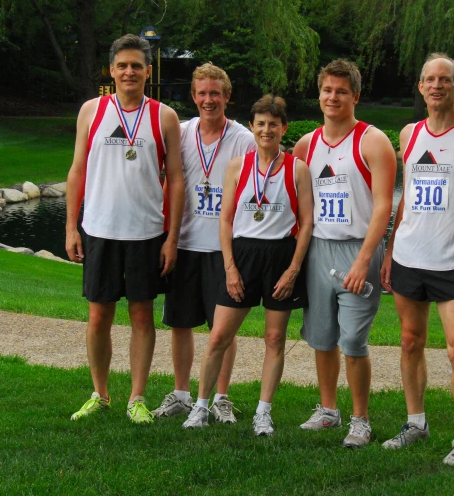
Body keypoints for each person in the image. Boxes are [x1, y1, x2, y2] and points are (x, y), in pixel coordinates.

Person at [380, 53, 454, 466]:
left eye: (444, 80)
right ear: (420, 87)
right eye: (429, 79)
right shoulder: (409, 133)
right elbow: (407, 198)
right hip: (410, 256)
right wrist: (391, 250)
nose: (436, 86)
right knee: (410, 342)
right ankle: (416, 423)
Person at [65, 34, 184, 424]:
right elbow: (77, 171)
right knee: (98, 316)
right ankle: (100, 394)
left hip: (146, 233)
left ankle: (136, 398)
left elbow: (177, 179)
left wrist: (171, 237)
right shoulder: (92, 111)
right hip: (99, 228)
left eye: (137, 65)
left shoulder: (164, 117)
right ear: (112, 70)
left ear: (148, 72)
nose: (129, 71)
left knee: (141, 316)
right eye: (122, 65)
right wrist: (71, 226)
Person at [182, 95, 314, 436]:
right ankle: (200, 407)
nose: (266, 130)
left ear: (283, 128)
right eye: (260, 124)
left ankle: (263, 412)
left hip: (281, 256)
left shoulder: (297, 168)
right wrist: (229, 267)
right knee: (218, 337)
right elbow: (225, 220)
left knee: (274, 338)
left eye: (273, 124)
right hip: (243, 256)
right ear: (252, 127)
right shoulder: (238, 167)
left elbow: (307, 223)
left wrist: (294, 269)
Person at [292, 59, 397, 448]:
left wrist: (363, 260)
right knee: (321, 337)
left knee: (353, 340)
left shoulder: (372, 140)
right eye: (326, 90)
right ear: (319, 94)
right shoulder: (307, 145)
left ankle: (361, 420)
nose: (332, 97)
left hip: (358, 249)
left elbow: (383, 206)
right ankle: (328, 410)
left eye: (340, 91)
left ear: (355, 96)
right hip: (319, 248)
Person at [151, 63, 255, 423]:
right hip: (185, 241)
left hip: (224, 248)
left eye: (215, 93)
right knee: (180, 322)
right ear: (193, 96)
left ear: (227, 96)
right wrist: (168, 236)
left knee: (221, 329)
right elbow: (166, 184)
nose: (208, 100)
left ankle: (221, 397)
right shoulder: (180, 133)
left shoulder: (243, 139)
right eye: (202, 93)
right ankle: (181, 393)